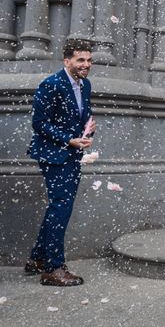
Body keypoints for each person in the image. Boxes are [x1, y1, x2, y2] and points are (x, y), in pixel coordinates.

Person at [25, 39, 96, 286]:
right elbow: (39, 123)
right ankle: (53, 269)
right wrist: (69, 140)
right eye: (80, 60)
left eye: (88, 60)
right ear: (66, 61)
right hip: (53, 155)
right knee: (61, 207)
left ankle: (37, 259)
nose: (86, 65)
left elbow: (82, 116)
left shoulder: (85, 85)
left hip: (73, 154)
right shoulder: (51, 84)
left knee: (59, 206)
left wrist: (88, 130)